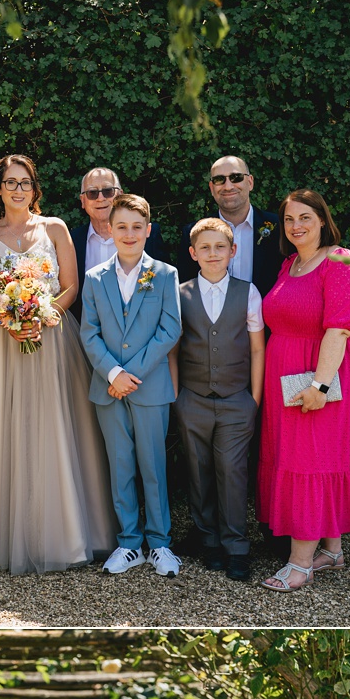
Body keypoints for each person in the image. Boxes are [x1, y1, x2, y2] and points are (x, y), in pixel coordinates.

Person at [0, 154, 118, 575]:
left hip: (52, 338)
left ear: (35, 188)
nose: (18, 189)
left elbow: (70, 286)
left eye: (24, 182)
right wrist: (9, 320)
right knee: (3, 431)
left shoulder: (56, 228)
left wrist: (40, 315)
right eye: (10, 182)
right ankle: (3, 534)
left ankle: (62, 534)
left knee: (53, 430)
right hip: (0, 343)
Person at [257, 189, 350, 591]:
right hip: (289, 374)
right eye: (290, 219)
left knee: (312, 459)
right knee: (305, 456)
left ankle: (300, 564)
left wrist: (319, 385)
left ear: (323, 220)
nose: (297, 226)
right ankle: (331, 550)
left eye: (305, 217)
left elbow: (340, 327)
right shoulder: (291, 263)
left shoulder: (341, 259)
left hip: (327, 373)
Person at [78, 194, 183, 577]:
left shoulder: (165, 274)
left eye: (137, 227)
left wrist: (130, 374)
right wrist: (112, 374)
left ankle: (160, 543)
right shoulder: (94, 277)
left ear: (148, 230)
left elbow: (170, 329)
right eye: (121, 226)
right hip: (108, 388)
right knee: (120, 466)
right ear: (110, 229)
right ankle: (129, 543)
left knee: (153, 467)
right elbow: (88, 333)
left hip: (149, 387)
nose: (129, 233)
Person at [170, 216, 265, 580]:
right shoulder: (181, 293)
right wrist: (177, 396)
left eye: (220, 247)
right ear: (193, 253)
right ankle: (209, 541)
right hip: (192, 398)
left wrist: (254, 399)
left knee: (233, 472)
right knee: (198, 470)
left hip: (236, 400)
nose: (213, 254)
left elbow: (257, 349)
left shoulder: (248, 292)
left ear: (232, 251)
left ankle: (237, 546)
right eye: (205, 248)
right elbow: (173, 351)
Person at [69, 167, 169, 308]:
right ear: (83, 201)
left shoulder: (148, 235)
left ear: (120, 195)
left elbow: (164, 287)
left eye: (108, 191)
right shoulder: (72, 240)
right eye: (92, 193)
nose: (101, 198)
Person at [182, 155, 280, 297]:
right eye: (219, 180)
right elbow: (188, 290)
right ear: (211, 188)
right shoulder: (192, 234)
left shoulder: (279, 228)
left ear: (250, 182)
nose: (228, 186)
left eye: (236, 177)